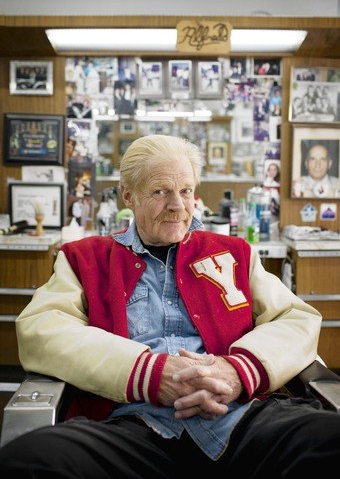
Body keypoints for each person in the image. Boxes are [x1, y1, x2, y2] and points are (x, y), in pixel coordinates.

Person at [1, 134, 340, 478]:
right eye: (161, 191)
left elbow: (296, 318)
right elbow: (41, 329)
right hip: (134, 428)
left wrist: (238, 371)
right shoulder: (86, 259)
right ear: (129, 196)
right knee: (28, 460)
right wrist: (149, 374)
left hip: (241, 420)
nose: (178, 204)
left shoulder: (235, 254)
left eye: (187, 191)